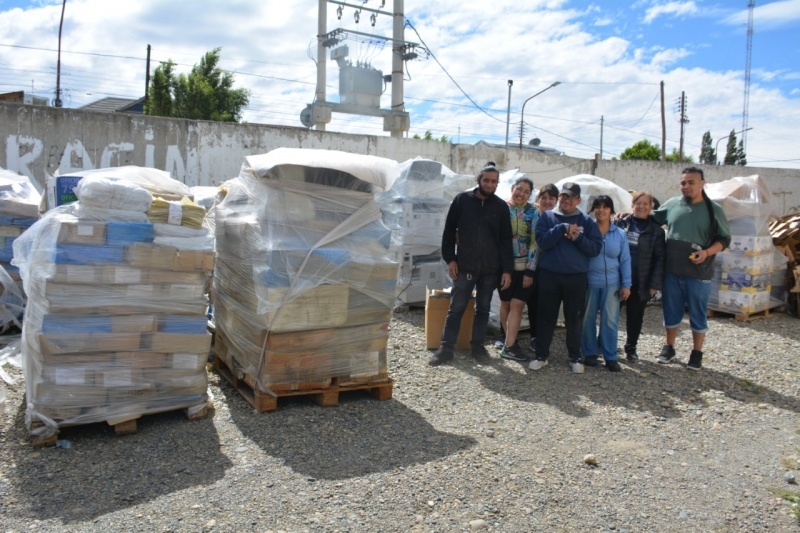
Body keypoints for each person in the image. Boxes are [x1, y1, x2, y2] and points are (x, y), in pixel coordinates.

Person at [428, 162, 513, 366]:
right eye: (486, 180)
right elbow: (449, 232)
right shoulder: (462, 201)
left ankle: (478, 347)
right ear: (478, 180)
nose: (490, 184)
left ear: (497, 183)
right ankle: (446, 348)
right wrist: (450, 259)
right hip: (465, 266)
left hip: (490, 270)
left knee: (483, 309)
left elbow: (505, 240)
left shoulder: (501, 207)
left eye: (494, 181)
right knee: (456, 308)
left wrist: (507, 270)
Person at [650, 167, 731, 371]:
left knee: (697, 313)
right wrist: (630, 213)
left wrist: (706, 252)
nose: (686, 186)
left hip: (699, 273)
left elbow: (724, 239)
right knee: (671, 311)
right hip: (672, 271)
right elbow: (652, 219)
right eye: (683, 182)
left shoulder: (714, 210)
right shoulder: (673, 204)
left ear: (702, 184)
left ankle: (696, 353)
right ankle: (669, 347)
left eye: (691, 182)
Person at [528, 182, 603, 373]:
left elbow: (595, 249)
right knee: (546, 317)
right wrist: (561, 228)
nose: (567, 200)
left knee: (574, 318)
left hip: (576, 278)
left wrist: (577, 237)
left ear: (578, 200)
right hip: (550, 276)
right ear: (559, 198)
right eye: (563, 196)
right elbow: (542, 242)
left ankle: (575, 357)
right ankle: (541, 355)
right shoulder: (548, 217)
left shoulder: (586, 221)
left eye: (571, 197)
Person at [613, 191, 666, 362]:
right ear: (632, 205)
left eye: (646, 204)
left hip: (641, 280)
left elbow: (659, 259)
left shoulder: (656, 231)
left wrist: (654, 283)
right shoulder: (621, 223)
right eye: (638, 203)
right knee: (611, 314)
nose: (641, 206)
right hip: (618, 278)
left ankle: (631, 348)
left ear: (651, 207)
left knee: (635, 316)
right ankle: (607, 345)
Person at [581, 196, 631, 372]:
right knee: (588, 318)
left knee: (610, 320)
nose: (601, 210)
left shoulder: (619, 234)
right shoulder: (587, 230)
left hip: (612, 284)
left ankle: (610, 356)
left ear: (611, 210)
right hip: (590, 282)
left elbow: (625, 260)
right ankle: (589, 353)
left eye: (605, 207)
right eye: (597, 207)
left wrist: (627, 284)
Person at [497, 176, 539, 362]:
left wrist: (530, 270)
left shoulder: (533, 212)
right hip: (503, 267)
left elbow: (534, 241)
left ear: (530, 195)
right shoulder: (500, 208)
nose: (521, 194)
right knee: (505, 303)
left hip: (524, 267)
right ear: (512, 188)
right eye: (519, 189)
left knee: (517, 304)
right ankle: (510, 344)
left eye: (526, 191)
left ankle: (509, 345)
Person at [526, 183, 559, 352]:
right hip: (532, 266)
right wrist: (530, 269)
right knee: (533, 302)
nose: (547, 201)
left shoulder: (560, 217)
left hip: (553, 267)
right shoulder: (531, 214)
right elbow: (532, 245)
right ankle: (534, 336)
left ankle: (544, 336)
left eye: (551, 198)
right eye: (544, 198)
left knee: (548, 304)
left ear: (556, 200)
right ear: (538, 199)